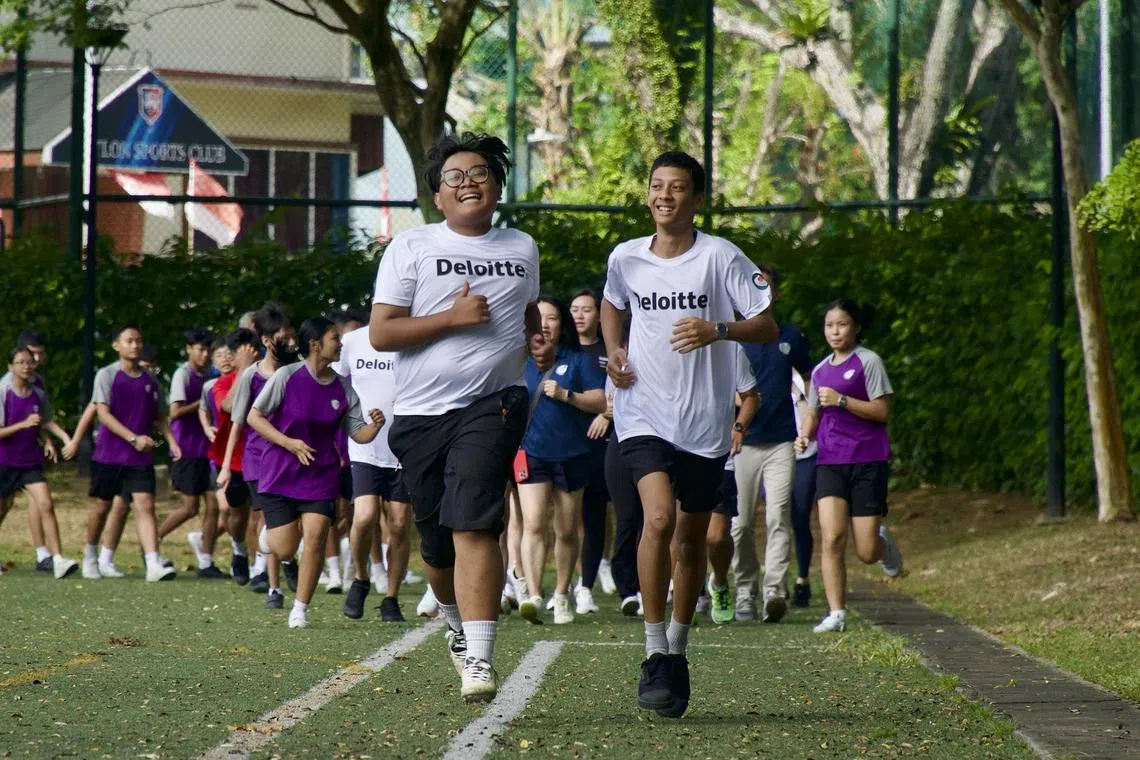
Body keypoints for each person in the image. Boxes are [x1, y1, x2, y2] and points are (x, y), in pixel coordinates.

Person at [370, 132, 551, 702]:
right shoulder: (411, 247)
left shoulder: (522, 247)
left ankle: (480, 656)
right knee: (436, 546)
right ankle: (454, 621)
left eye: (479, 173)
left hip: (493, 404)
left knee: (475, 519)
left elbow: (524, 316)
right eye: (454, 177)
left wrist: (534, 343)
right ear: (438, 197)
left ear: (497, 187)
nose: (468, 181)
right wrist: (450, 318)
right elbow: (383, 331)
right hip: (421, 415)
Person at [600, 151, 777, 718]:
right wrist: (614, 352)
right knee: (657, 519)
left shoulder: (720, 257)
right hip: (641, 410)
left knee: (689, 540)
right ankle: (654, 652)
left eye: (677, 188)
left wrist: (716, 329)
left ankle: (677, 650)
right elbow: (611, 304)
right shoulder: (626, 257)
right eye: (656, 186)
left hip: (702, 424)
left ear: (697, 199)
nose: (664, 196)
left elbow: (767, 323)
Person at [247, 317, 383, 629]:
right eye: (335, 338)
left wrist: (375, 427)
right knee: (284, 547)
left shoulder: (343, 387)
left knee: (317, 536)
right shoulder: (287, 376)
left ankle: (300, 608)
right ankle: (269, 541)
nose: (341, 344)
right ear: (315, 345)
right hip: (280, 472)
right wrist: (288, 443)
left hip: (321, 476)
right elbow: (255, 417)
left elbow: (358, 433)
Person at [795, 299, 902, 634]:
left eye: (842, 324)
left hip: (868, 460)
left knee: (866, 551)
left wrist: (842, 400)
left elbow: (882, 411)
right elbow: (813, 412)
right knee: (832, 538)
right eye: (829, 325)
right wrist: (804, 437)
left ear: (856, 327)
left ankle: (885, 547)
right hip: (830, 461)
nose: (835, 331)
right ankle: (836, 612)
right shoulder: (820, 370)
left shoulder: (868, 362)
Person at [515, 296, 606, 625]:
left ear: (560, 324)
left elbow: (600, 400)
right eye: (537, 319)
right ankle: (535, 595)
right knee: (534, 522)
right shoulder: (516, 359)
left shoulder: (578, 360)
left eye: (551, 318)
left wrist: (568, 395)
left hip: (572, 454)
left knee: (567, 529)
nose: (544, 325)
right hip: (530, 452)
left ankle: (563, 594)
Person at [731, 264, 814, 623]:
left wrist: (808, 423)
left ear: (775, 293)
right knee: (740, 524)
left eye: (766, 286)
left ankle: (774, 594)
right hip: (743, 442)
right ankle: (745, 591)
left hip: (782, 443)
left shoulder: (791, 335)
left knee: (780, 515)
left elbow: (811, 379)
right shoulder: (732, 337)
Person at [81, 326, 181, 582]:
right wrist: (133, 438)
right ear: (117, 345)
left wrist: (172, 442)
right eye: (129, 341)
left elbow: (160, 417)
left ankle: (152, 564)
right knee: (102, 507)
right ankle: (90, 556)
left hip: (139, 458)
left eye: (138, 341)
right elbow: (102, 413)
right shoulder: (106, 375)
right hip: (109, 455)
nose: (135, 345)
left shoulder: (151, 380)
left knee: (145, 506)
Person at [334, 317, 412, 622]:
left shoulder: (412, 340)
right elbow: (336, 383)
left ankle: (391, 597)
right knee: (364, 516)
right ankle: (361, 577)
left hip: (404, 448)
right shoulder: (353, 341)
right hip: (365, 445)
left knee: (400, 523)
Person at [221, 303, 298, 607]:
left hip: (291, 457)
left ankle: (287, 558)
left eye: (292, 337)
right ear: (267, 341)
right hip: (258, 460)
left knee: (288, 523)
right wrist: (227, 465)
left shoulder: (296, 373)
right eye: (284, 338)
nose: (291, 343)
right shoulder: (251, 376)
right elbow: (237, 421)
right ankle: (273, 588)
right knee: (267, 517)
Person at [0, 346, 78, 578]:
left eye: (30, 362)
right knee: (2, 509)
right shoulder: (3, 393)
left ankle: (58, 559)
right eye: (21, 362)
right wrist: (22, 425)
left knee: (46, 504)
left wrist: (61, 439)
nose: (27, 366)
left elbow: (45, 421)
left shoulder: (38, 394)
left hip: (30, 462)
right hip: (5, 461)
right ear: (10, 367)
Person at [156, 328, 226, 578]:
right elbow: (174, 412)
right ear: (189, 349)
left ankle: (206, 562)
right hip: (185, 448)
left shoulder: (210, 374)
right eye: (200, 349)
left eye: (208, 349)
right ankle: (152, 542)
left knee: (214, 505)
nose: (205, 354)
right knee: (189, 507)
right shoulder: (182, 375)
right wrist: (203, 401)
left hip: (208, 450)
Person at [570, 288, 618, 612]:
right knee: (568, 520)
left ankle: (590, 580)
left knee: (597, 513)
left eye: (586, 309)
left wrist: (604, 413)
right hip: (566, 445)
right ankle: (572, 582)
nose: (579, 315)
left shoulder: (608, 351)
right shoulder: (564, 351)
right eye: (574, 309)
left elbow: (621, 390)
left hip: (604, 443)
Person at [705, 346, 760, 625]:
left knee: (716, 537)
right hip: (675, 453)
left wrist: (738, 427)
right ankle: (684, 593)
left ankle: (719, 582)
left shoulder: (729, 348)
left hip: (718, 457)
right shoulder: (665, 346)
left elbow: (751, 397)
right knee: (676, 531)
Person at [211, 329, 260, 586]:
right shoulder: (223, 382)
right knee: (237, 514)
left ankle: (260, 567)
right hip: (232, 459)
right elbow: (229, 407)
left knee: (259, 514)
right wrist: (242, 370)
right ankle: (239, 549)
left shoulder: (266, 375)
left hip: (261, 456)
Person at [790, 368, 818, 607]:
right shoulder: (758, 369)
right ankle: (774, 585)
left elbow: (815, 414)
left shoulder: (806, 380)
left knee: (800, 518)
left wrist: (798, 394)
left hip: (806, 456)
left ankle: (802, 578)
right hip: (770, 452)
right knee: (775, 518)